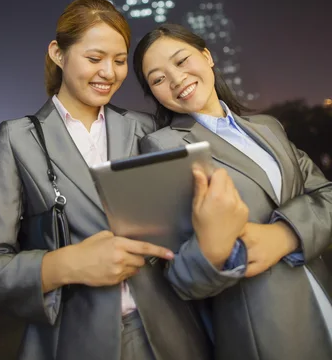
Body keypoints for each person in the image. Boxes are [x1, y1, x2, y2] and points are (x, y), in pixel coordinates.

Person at [0, 0, 243, 360]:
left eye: (118, 61)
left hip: (174, 332)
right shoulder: (17, 140)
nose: (109, 73)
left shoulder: (147, 129)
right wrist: (67, 264)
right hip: (76, 341)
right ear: (58, 53)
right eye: (95, 58)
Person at [133, 23, 332, 360]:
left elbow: (325, 194)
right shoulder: (164, 147)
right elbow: (179, 275)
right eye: (157, 79)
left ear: (207, 56)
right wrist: (220, 248)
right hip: (264, 331)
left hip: (322, 294)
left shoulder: (268, 127)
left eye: (181, 61)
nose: (176, 79)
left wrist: (285, 236)